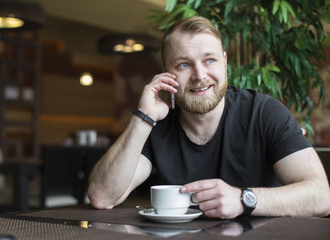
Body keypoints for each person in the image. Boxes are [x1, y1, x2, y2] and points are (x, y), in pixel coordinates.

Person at [87, 16, 330, 219]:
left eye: (209, 60)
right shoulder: (157, 124)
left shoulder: (264, 112)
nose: (200, 75)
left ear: (224, 62)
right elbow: (101, 197)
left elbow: (321, 197)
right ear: (166, 73)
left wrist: (243, 199)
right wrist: (143, 118)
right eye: (184, 65)